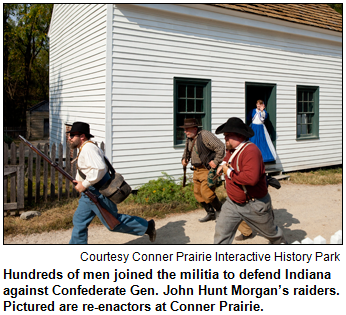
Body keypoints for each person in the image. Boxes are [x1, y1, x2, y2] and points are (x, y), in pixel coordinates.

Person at [67, 121, 156, 244]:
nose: (69, 138)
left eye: (72, 135)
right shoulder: (85, 147)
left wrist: (85, 184)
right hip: (89, 192)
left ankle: (147, 226)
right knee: (79, 220)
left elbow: (99, 168)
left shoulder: (88, 148)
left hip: (98, 191)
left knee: (113, 223)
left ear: (82, 136)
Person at [214, 117, 287, 244]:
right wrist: (223, 164)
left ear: (239, 136)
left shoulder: (251, 151)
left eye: (228, 135)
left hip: (254, 204)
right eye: (225, 135)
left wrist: (228, 172)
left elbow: (250, 179)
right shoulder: (232, 148)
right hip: (232, 203)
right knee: (221, 234)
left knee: (273, 236)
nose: (225, 138)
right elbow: (228, 156)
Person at [181, 118, 225, 222]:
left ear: (195, 128)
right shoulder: (189, 138)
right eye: (184, 129)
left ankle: (220, 210)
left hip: (206, 169)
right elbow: (187, 150)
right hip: (196, 170)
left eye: (187, 129)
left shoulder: (205, 135)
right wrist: (184, 158)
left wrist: (216, 161)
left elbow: (221, 147)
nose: (185, 131)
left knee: (207, 194)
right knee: (198, 194)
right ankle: (210, 213)